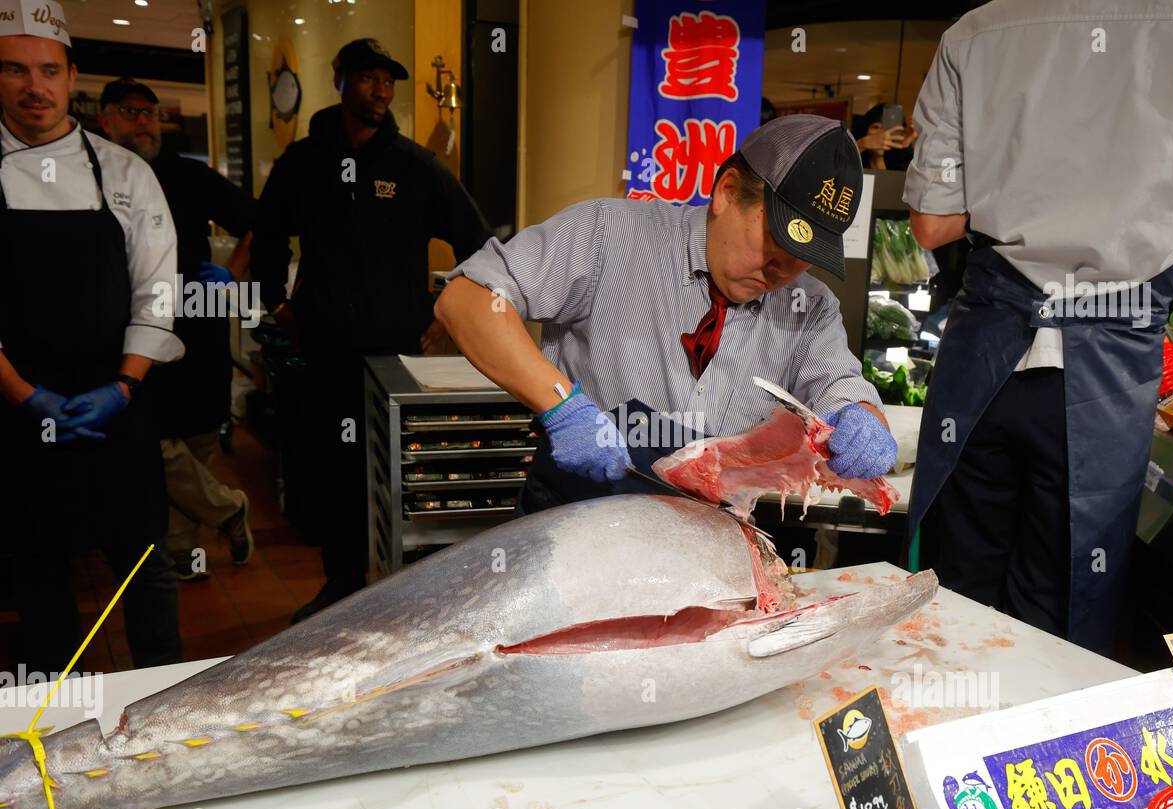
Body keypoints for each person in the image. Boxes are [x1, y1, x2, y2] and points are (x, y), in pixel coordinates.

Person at [904, 0, 1173, 655]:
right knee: (1059, 613)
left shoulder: (979, 29)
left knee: (953, 604)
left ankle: (939, 745)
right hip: (1106, 379)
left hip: (984, 369)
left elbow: (931, 223)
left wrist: (1023, 192)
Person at [432, 114, 897, 518]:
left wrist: (863, 414)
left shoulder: (809, 306)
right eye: (778, 243)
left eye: (805, 257)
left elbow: (839, 383)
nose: (784, 271)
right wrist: (561, 406)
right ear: (728, 192)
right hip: (577, 522)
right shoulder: (607, 235)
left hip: (709, 550)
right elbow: (467, 299)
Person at [251, 38, 490, 622]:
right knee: (331, 472)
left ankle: (399, 599)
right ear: (341, 79)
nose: (381, 91)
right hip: (324, 350)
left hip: (395, 355)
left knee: (397, 472)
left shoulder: (415, 166)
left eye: (388, 81)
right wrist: (276, 302)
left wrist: (444, 311)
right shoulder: (302, 163)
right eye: (368, 79)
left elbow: (478, 245)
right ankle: (341, 585)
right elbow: (268, 236)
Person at [0, 3, 185, 672]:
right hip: (16, 411)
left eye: (48, 70)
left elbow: (158, 290)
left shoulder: (126, 173)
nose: (34, 87)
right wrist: (24, 395)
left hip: (120, 403)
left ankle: (163, 696)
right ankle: (49, 721)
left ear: (71, 74)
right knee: (37, 567)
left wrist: (126, 383)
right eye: (15, 70)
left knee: (145, 563)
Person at [98, 77, 256, 581]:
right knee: (152, 440)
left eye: (150, 113)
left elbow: (258, 220)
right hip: (127, 334)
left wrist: (231, 272)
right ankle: (228, 510)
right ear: (104, 118)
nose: (144, 122)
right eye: (130, 112)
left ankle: (184, 556)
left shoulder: (190, 176)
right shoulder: (91, 174)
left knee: (199, 440)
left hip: (196, 325)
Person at [852, 103, 917, 171]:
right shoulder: (851, 164)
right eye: (876, 127)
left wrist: (906, 145)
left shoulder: (906, 166)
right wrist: (861, 144)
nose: (883, 134)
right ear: (864, 131)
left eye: (888, 129)